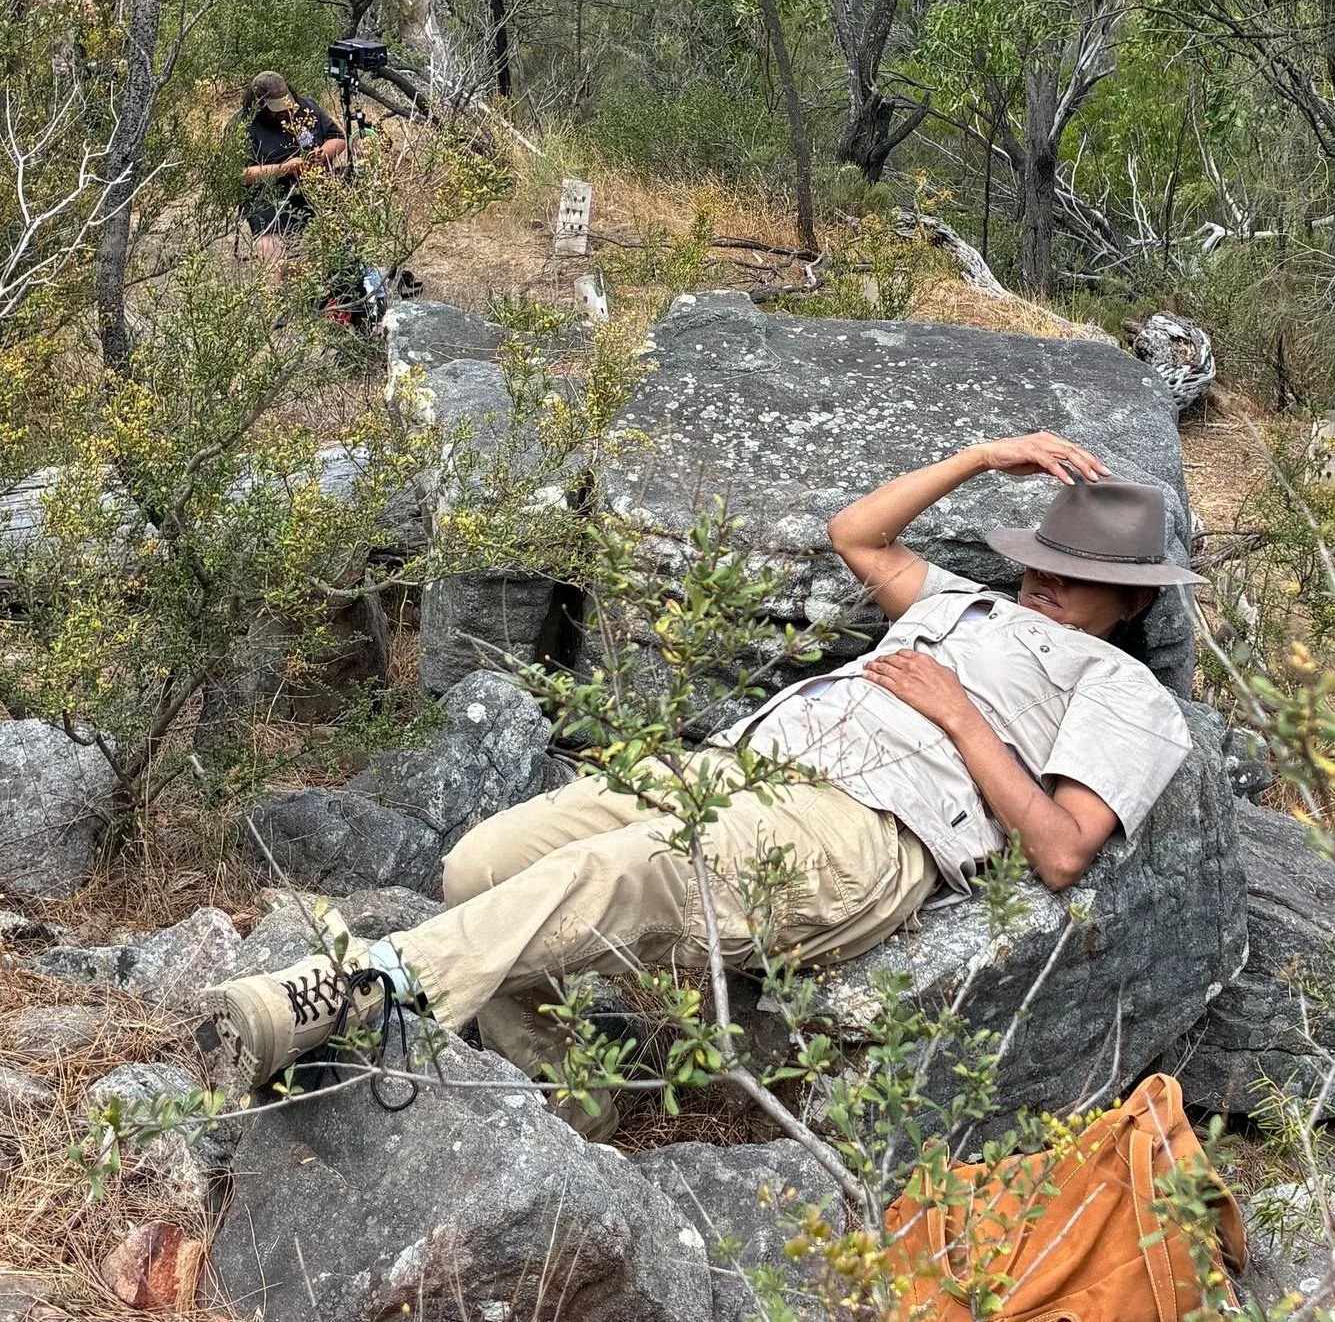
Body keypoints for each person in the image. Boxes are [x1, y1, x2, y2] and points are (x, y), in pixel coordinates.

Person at [199, 433, 1201, 1134]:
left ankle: (368, 990)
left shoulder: (1122, 687)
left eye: (1074, 572)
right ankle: (570, 1090)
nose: (1045, 579)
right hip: (738, 772)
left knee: (619, 872)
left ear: (1130, 598)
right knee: (479, 863)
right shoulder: (966, 606)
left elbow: (1064, 850)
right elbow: (856, 533)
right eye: (1043, 557)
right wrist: (981, 459)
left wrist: (955, 713)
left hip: (866, 834)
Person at [239, 70, 348, 265]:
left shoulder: (305, 108)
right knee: (269, 243)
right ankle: (278, 292)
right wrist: (284, 168)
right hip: (267, 195)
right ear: (259, 104)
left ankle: (348, 281)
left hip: (313, 185)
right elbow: (241, 175)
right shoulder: (244, 126)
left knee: (349, 215)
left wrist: (322, 154)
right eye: (275, 108)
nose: (282, 111)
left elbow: (337, 138)